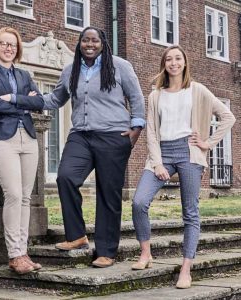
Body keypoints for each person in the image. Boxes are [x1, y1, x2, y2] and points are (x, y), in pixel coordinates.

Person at [131, 45, 235, 288]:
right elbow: (152, 132)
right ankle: (145, 253)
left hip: (189, 152)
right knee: (139, 202)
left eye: (178, 58)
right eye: (169, 59)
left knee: (190, 212)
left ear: (185, 62)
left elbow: (228, 116)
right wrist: (157, 163)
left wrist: (208, 143)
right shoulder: (156, 94)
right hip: (162, 152)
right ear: (164, 64)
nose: (174, 63)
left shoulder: (197, 90)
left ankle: (186, 269)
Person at [43, 26, 145, 268]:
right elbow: (55, 99)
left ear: (103, 43)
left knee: (108, 194)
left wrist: (136, 128)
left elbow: (137, 97)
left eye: (94, 40)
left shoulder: (120, 66)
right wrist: (26, 98)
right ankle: (77, 236)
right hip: (81, 135)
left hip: (113, 135)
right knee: (66, 177)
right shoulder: (70, 70)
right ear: (79, 43)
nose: (89, 44)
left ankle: (106, 250)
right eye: (85, 40)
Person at [0, 27, 44, 274]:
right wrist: (23, 102)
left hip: (28, 138)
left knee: (25, 198)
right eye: (3, 44)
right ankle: (14, 254)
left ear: (17, 49)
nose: (8, 48)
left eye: (13, 45)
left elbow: (39, 102)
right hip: (1, 140)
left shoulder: (25, 74)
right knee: (14, 194)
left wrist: (12, 98)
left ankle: (22, 252)